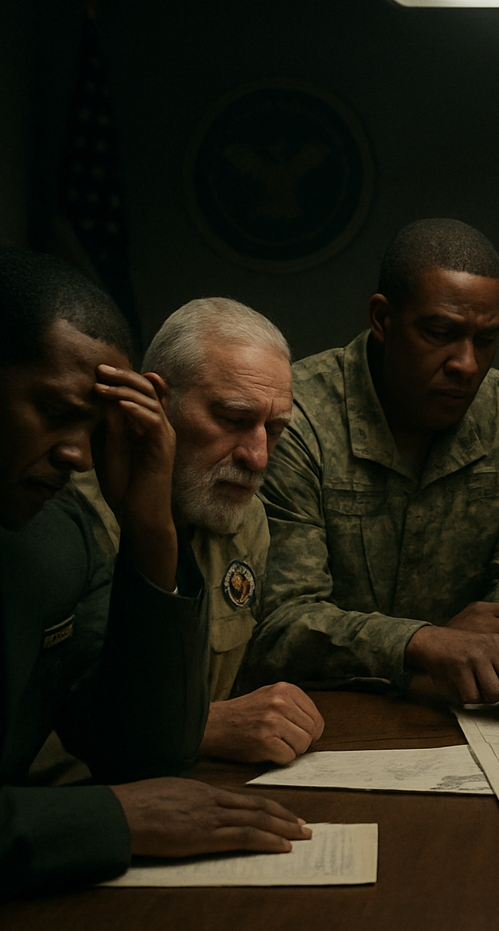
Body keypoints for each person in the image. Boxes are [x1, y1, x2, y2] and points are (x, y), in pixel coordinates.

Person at [0, 248, 307, 910]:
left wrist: (149, 531)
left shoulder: (53, 537)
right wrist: (110, 821)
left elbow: (144, 756)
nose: (79, 455)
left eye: (94, 427)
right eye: (57, 413)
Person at [246, 219, 499, 719]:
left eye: (485, 340)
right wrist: (424, 641)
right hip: (322, 714)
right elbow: (281, 622)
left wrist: (495, 637)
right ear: (382, 318)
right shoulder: (297, 417)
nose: (466, 363)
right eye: (440, 333)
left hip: (470, 710)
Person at [60, 298, 324, 765]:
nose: (258, 457)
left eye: (275, 428)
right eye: (234, 420)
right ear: (157, 402)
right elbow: (38, 734)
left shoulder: (245, 522)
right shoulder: (67, 511)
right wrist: (201, 727)